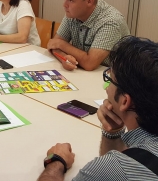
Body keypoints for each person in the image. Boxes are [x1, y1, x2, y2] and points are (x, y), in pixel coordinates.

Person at [38, 36, 158, 181]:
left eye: (110, 81)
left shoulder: (107, 170)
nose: (106, 89)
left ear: (125, 101)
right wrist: (112, 133)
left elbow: (116, 169)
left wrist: (56, 162)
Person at [47, 0, 129, 71]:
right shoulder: (73, 13)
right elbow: (52, 45)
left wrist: (62, 45)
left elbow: (90, 63)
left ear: (89, 1)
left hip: (112, 77)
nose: (64, 5)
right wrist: (64, 58)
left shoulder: (110, 21)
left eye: (70, 0)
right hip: (85, 74)